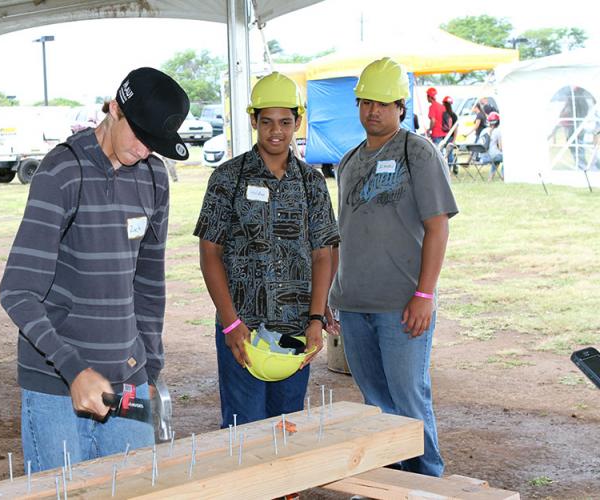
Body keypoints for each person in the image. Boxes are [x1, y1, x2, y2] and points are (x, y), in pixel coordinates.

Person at [0, 67, 188, 471]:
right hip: (56, 385)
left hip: (128, 380)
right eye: (139, 137)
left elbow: (149, 283)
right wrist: (73, 369)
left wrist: (150, 369)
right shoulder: (62, 172)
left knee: (135, 489)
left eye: (153, 145)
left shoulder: (154, 177)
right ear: (114, 109)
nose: (143, 151)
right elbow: (17, 290)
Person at [329, 57, 458, 477]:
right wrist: (331, 294)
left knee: (407, 399)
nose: (373, 111)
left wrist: (424, 294)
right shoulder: (348, 161)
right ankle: (389, 483)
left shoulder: (416, 152)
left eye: (383, 103)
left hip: (402, 305)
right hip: (353, 304)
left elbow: (437, 228)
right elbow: (341, 233)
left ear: (401, 106)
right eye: (366, 102)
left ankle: (428, 482)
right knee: (376, 404)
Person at [194, 72, 340, 427]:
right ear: (253, 121)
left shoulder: (311, 183)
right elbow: (209, 252)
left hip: (295, 328)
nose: (277, 131)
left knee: (287, 425)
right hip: (242, 327)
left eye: (286, 122)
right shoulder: (228, 177)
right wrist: (230, 323)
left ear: (298, 122)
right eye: (268, 122)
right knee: (244, 429)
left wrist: (316, 319)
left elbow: (324, 254)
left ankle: (288, 487)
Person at [479, 111, 503, 180]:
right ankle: (503, 175)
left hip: (483, 157)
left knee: (496, 159)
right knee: (505, 158)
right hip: (491, 157)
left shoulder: (483, 131)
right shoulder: (498, 131)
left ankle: (490, 178)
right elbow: (501, 148)